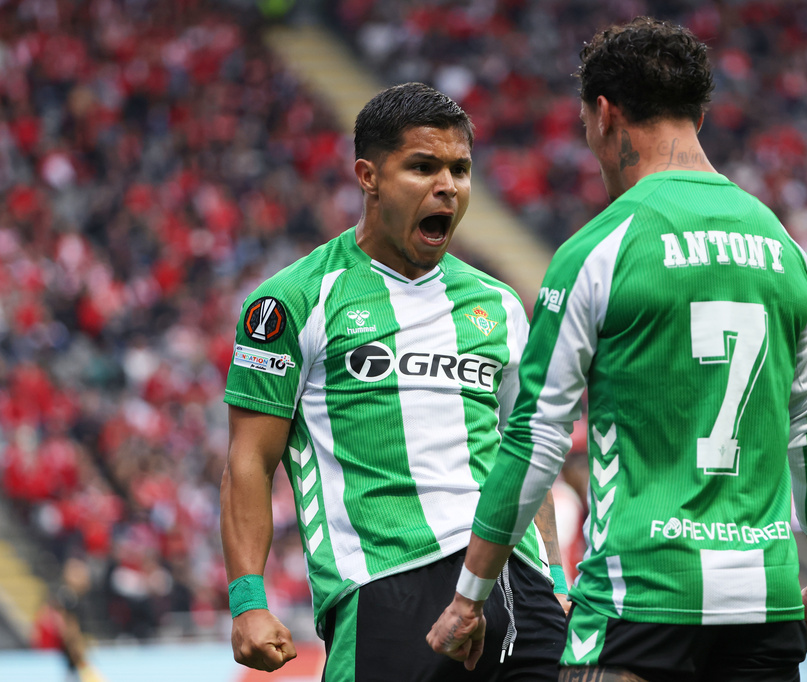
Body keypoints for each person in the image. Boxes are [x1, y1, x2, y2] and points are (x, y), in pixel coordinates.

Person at [427, 17, 807, 681]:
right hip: (765, 605)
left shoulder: (598, 249)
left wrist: (469, 598)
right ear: (700, 114)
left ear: (604, 114)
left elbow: (534, 440)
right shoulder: (787, 252)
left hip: (640, 602)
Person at [220, 82, 568, 681]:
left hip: (515, 582)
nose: (448, 186)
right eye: (423, 166)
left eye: (460, 169)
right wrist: (248, 602)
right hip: (386, 585)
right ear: (368, 176)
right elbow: (249, 461)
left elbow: (524, 454)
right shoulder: (294, 301)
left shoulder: (500, 305)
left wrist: (557, 579)